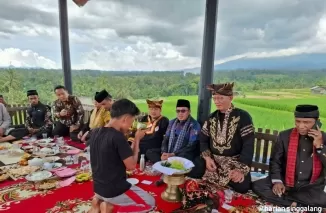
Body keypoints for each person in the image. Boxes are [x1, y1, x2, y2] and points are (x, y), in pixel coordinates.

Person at [87, 99, 155, 213]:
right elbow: (132, 166)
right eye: (131, 122)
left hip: (98, 187)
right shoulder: (117, 137)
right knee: (150, 203)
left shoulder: (95, 132)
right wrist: (137, 139)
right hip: (114, 190)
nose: (130, 126)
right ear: (125, 119)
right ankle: (111, 207)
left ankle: (99, 201)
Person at [252, 105, 326, 208]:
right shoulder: (284, 136)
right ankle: (295, 203)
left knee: (323, 199)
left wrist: (319, 145)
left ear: (317, 122)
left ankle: (288, 199)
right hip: (285, 181)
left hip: (310, 187)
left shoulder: (324, 137)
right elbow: (275, 161)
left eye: (306, 122)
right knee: (258, 186)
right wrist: (277, 181)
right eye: (298, 121)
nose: (300, 126)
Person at [195, 82, 255, 193]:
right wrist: (208, 158)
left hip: (233, 162)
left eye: (220, 98)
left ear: (231, 97)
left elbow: (248, 145)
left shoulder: (243, 116)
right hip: (214, 162)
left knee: (242, 187)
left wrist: (239, 169)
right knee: (193, 168)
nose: (217, 102)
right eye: (214, 98)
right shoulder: (211, 118)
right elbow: (203, 140)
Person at [146, 99, 201, 164]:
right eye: (178, 111)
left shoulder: (194, 125)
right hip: (169, 151)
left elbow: (191, 146)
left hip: (183, 153)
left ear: (189, 111)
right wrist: (164, 152)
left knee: (186, 157)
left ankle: (165, 164)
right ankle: (168, 163)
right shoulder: (172, 122)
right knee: (150, 152)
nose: (180, 113)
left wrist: (173, 154)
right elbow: (165, 139)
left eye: (183, 111)